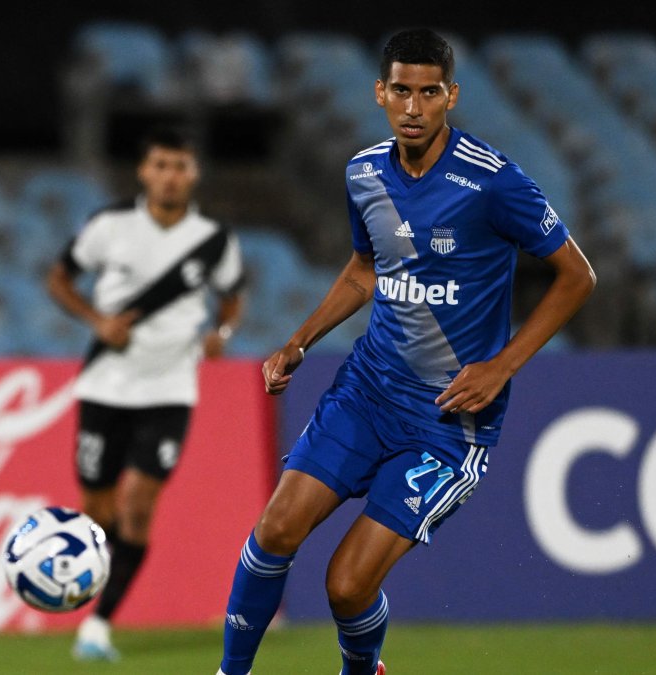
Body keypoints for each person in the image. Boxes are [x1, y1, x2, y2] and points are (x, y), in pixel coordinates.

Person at [216, 28, 596, 675]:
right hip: (367, 392)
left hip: (448, 421)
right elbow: (366, 269)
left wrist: (503, 365)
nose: (413, 107)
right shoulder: (364, 172)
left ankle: (362, 668)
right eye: (401, 91)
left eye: (428, 93)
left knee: (346, 586)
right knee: (275, 529)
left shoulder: (492, 181)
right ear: (380, 93)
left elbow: (577, 276)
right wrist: (299, 340)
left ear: (451, 96)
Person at [45, 127, 246, 661]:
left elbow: (232, 296)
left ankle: (98, 625)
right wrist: (97, 320)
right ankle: (88, 585)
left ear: (194, 173)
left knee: (138, 504)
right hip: (105, 384)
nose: (170, 176)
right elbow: (60, 278)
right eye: (161, 165)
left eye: (180, 166)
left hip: (170, 389)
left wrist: (221, 334)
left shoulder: (214, 240)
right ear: (144, 171)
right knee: (97, 509)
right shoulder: (110, 226)